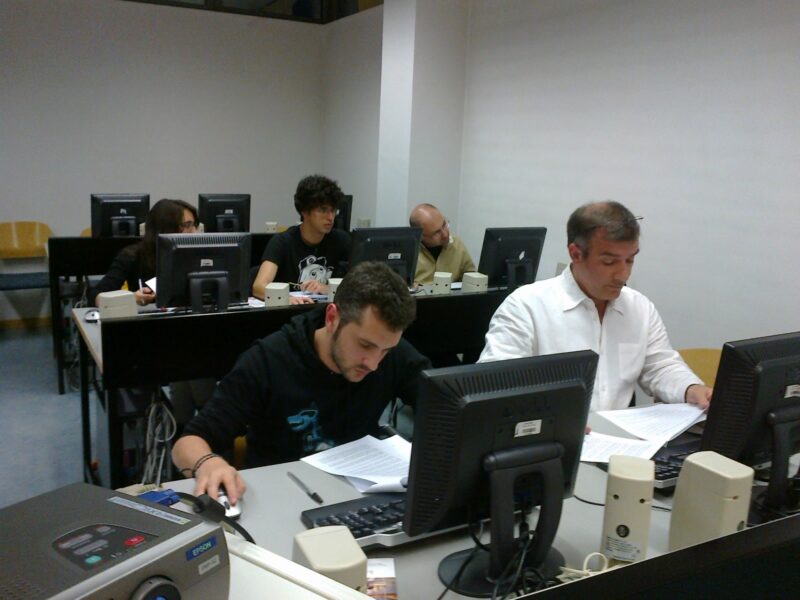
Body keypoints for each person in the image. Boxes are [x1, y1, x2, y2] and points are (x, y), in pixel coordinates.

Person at [172, 261, 431, 504]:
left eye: (385, 351)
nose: (373, 364)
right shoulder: (270, 359)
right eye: (365, 345)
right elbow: (188, 442)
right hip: (280, 497)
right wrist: (208, 463)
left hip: (359, 497)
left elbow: (442, 402)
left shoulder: (391, 353)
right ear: (332, 318)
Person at [479, 200, 712, 412]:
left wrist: (691, 389)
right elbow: (494, 385)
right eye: (609, 262)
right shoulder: (526, 306)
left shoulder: (639, 308)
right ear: (576, 254)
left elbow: (660, 367)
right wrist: (552, 417)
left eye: (630, 260)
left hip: (621, 439)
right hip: (552, 436)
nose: (623, 274)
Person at [252, 174, 352, 304]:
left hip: (326, 311)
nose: (330, 217)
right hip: (292, 311)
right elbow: (258, 287)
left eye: (333, 210)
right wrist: (287, 299)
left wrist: (328, 289)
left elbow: (358, 286)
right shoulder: (282, 242)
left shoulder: (342, 241)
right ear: (304, 211)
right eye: (323, 210)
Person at [92, 198, 198, 307]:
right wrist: (132, 298)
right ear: (166, 227)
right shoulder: (133, 256)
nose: (194, 232)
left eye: (194, 225)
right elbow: (95, 296)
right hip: (148, 316)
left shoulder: (197, 255)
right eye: (187, 225)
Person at [409, 203, 476, 285]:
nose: (445, 234)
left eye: (444, 225)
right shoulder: (408, 252)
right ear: (420, 236)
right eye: (436, 233)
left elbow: (471, 277)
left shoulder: (456, 244)